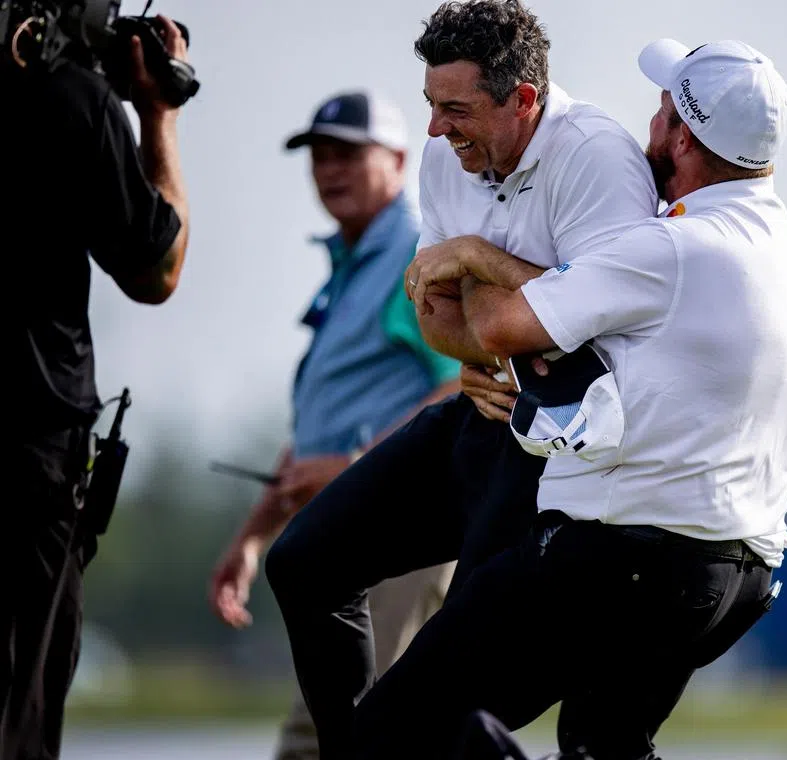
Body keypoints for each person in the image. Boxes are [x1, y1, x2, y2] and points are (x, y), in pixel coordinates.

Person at [369, 37, 787, 760]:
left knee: (398, 727)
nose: (649, 126)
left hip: (623, 560)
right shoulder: (774, 240)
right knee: (602, 748)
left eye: (663, 111)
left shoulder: (670, 247)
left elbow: (496, 325)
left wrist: (472, 251)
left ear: (683, 136)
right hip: (735, 574)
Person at [262, 1, 657, 758]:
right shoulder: (450, 158)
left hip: (561, 457)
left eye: (456, 109)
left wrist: (477, 265)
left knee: (447, 684)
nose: (437, 131)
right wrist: (496, 330)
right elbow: (442, 317)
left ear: (525, 101)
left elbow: (613, 321)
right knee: (302, 565)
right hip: (482, 412)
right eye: (430, 108)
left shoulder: (598, 160)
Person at [206, 90, 462, 760]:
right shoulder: (351, 266)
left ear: (400, 159)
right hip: (350, 537)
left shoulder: (415, 251)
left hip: (399, 533)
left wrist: (351, 471)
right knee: (361, 731)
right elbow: (322, 428)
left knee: (333, 735)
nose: (329, 169)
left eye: (349, 152)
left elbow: (460, 385)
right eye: (319, 154)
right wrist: (252, 537)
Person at [1, 10, 191, 760]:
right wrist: (157, 113)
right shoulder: (71, 97)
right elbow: (158, 269)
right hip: (28, 465)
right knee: (17, 716)